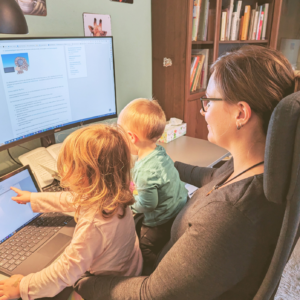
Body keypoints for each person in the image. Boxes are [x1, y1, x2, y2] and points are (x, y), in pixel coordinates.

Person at [71, 46, 300, 300]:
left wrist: (82, 283)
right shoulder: (253, 167)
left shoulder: (229, 215)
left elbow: (151, 293)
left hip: (158, 282)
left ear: (241, 113)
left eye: (209, 101)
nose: (203, 110)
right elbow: (210, 177)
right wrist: (168, 164)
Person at [0, 124, 142, 300]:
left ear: (83, 175)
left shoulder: (93, 224)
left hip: (108, 285)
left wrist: (22, 287)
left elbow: (63, 273)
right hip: (130, 268)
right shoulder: (114, 195)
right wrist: (34, 198)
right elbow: (74, 200)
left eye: (67, 166)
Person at [118, 98, 188, 274]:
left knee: (143, 246)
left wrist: (129, 202)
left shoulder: (145, 171)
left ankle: (155, 272)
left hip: (160, 222)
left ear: (131, 137)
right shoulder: (159, 151)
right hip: (179, 207)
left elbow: (148, 205)